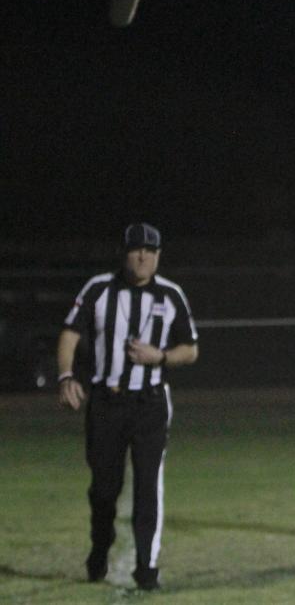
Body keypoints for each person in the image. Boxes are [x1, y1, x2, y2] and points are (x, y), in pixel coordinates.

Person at [56, 223, 199, 591]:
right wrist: (66, 376)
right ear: (124, 252)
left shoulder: (170, 295)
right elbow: (70, 334)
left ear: (158, 256)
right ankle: (100, 547)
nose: (143, 257)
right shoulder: (100, 288)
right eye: (137, 250)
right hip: (106, 402)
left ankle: (146, 568)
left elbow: (191, 349)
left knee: (149, 486)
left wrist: (161, 356)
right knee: (105, 488)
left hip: (150, 403)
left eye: (150, 251)